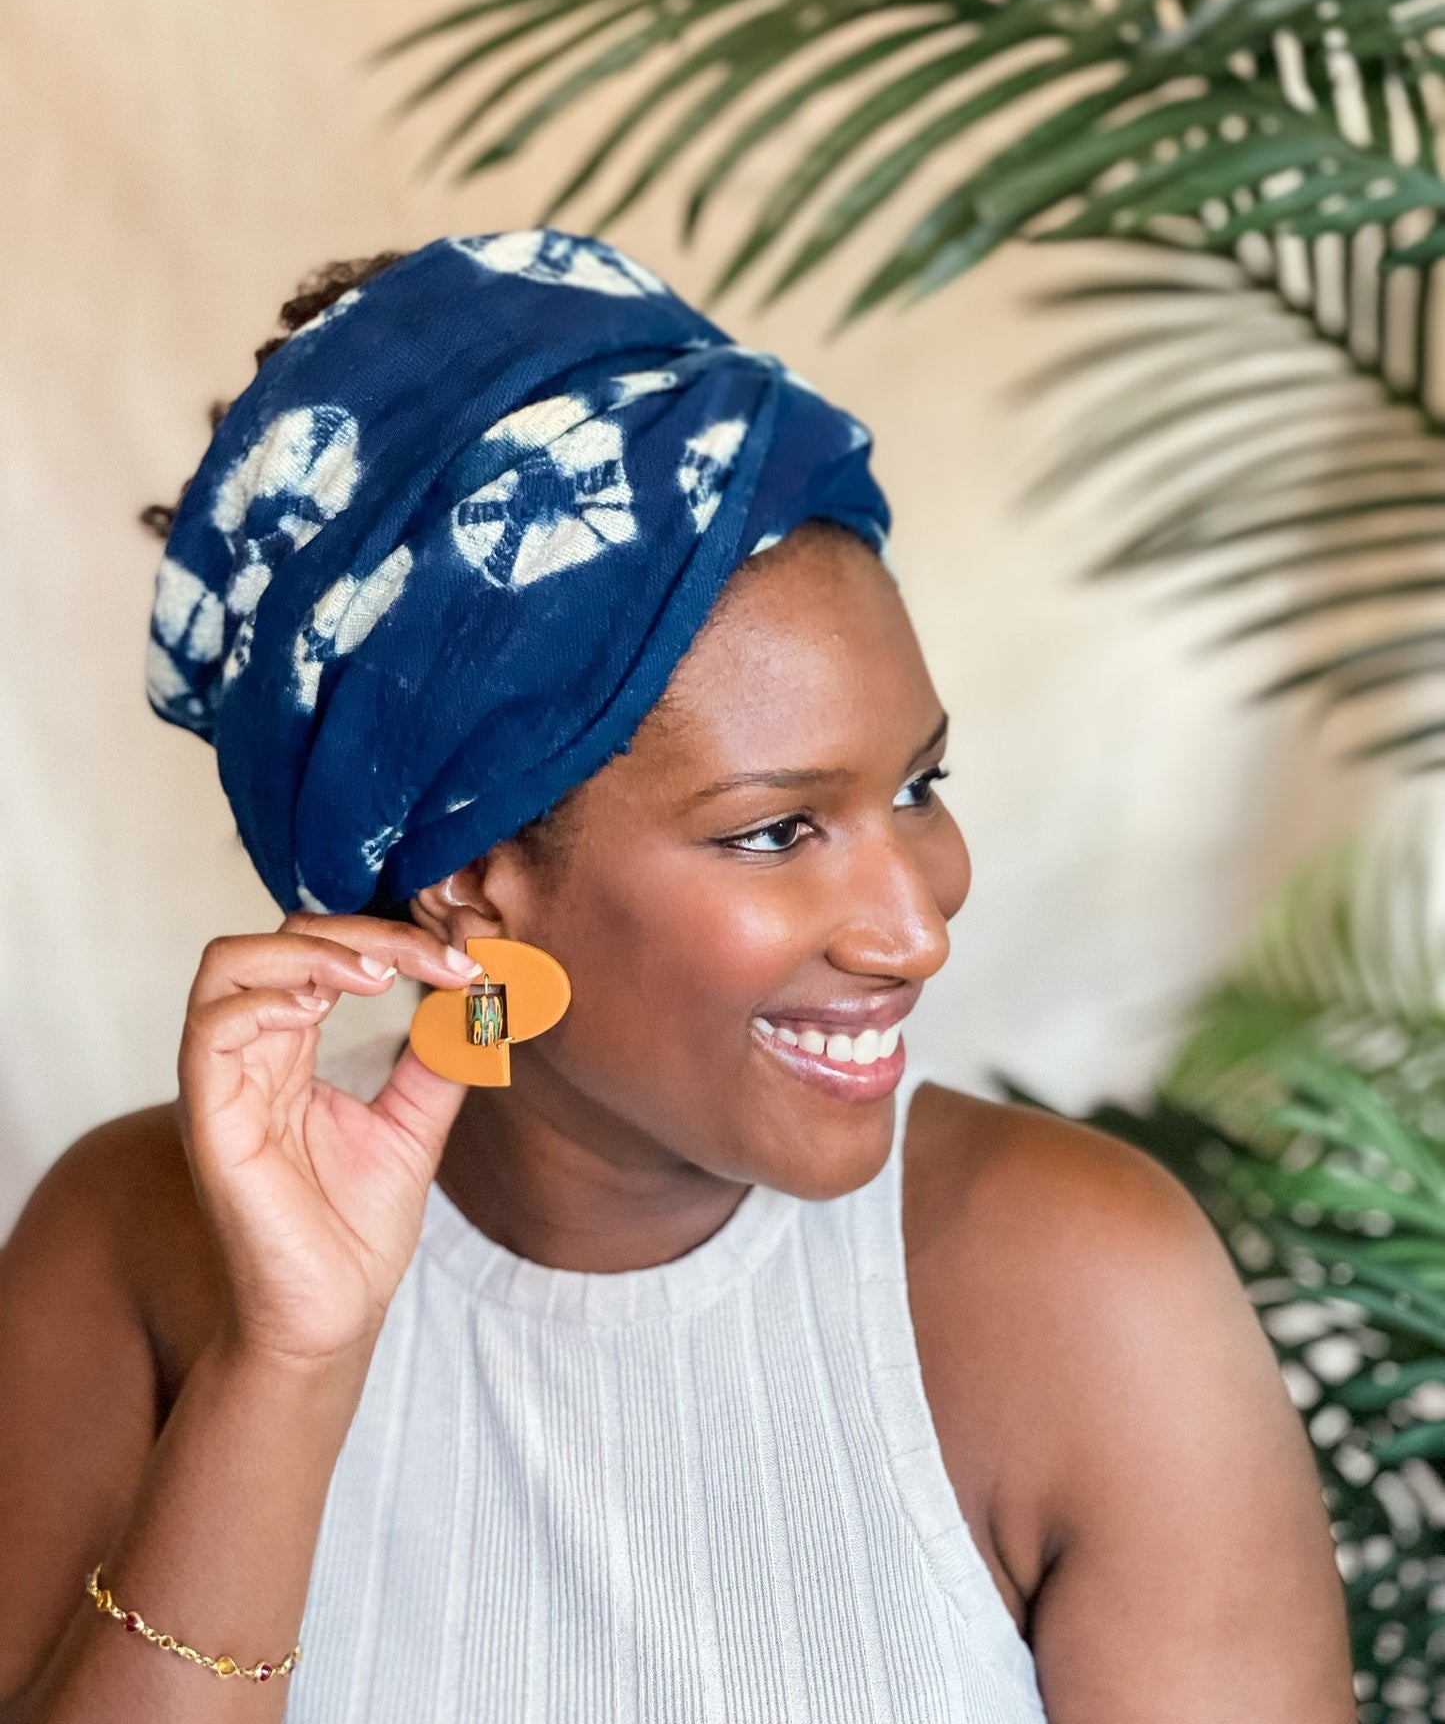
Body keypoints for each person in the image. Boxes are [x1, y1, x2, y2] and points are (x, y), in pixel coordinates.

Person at [0, 232, 1355, 1723]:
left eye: (918, 786)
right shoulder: (133, 1248)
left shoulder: (1081, 1291)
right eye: (776, 831)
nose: (912, 930)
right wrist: (288, 1363)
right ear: (470, 881)